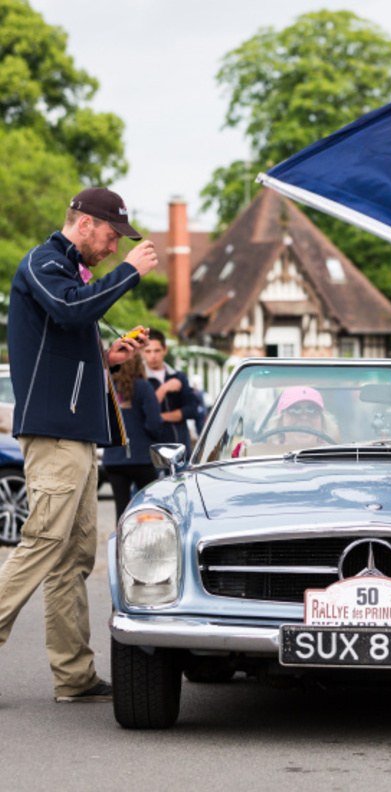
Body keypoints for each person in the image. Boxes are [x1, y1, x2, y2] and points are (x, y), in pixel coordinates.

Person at [0, 187, 157, 703]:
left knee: (74, 555)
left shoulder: (65, 270)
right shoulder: (44, 262)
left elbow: (68, 334)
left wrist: (107, 359)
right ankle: (74, 673)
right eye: (113, 235)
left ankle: (74, 676)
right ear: (85, 223)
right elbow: (70, 312)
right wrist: (131, 271)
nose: (114, 246)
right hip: (56, 433)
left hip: (76, 436)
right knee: (46, 543)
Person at [103, 353, 162, 519]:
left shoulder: (108, 387)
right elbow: (153, 423)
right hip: (141, 457)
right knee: (152, 507)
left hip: (113, 457)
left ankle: (119, 544)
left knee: (121, 509)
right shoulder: (144, 386)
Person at [142, 328, 199, 453]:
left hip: (180, 450)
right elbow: (143, 414)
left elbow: (192, 410)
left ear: (165, 350)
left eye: (157, 350)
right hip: (153, 453)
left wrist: (160, 416)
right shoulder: (140, 379)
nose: (153, 356)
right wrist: (164, 388)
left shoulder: (179, 376)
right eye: (148, 351)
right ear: (142, 352)